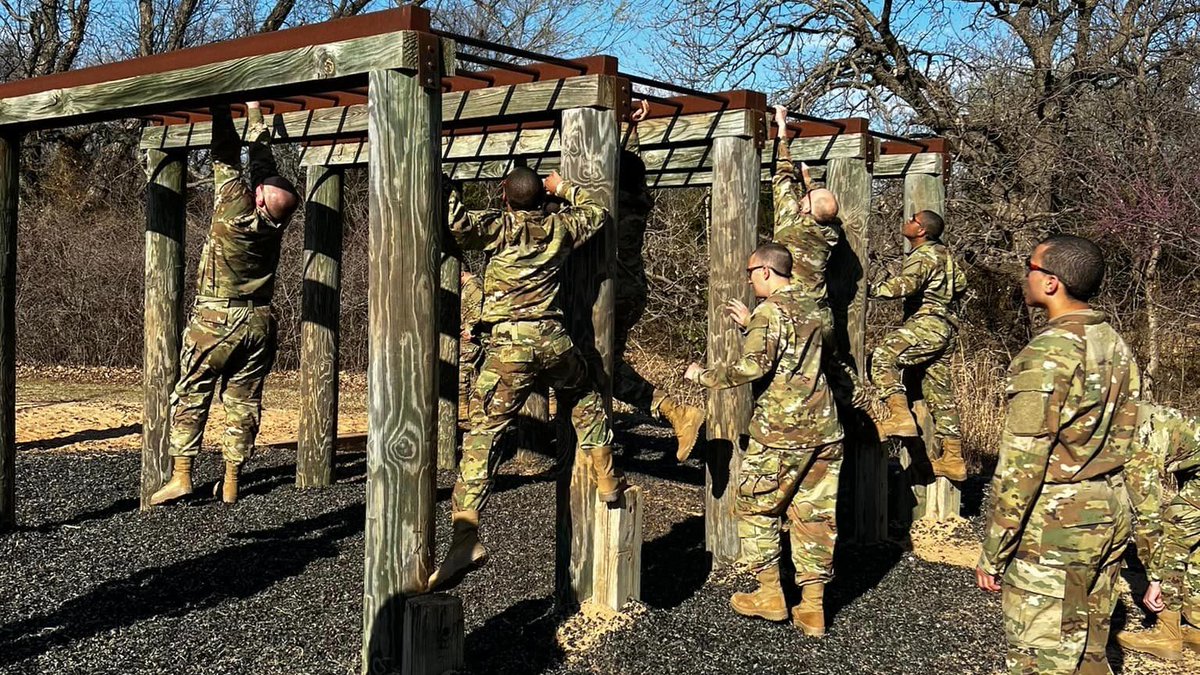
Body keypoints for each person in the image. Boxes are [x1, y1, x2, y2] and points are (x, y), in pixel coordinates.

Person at [430, 167, 621, 590]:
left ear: (505, 196)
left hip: (508, 348)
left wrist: (444, 184)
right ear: (541, 196)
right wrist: (563, 187)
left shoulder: (500, 227)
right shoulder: (559, 226)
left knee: (483, 436)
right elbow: (597, 211)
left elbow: (457, 220)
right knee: (585, 391)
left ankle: (465, 536)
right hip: (552, 340)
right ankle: (606, 471)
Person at [976, 234, 1140, 674]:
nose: (1024, 276)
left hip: (1056, 525)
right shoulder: (1115, 344)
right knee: (1088, 650)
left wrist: (995, 548)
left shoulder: (1048, 354)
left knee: (1042, 657)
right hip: (1108, 506)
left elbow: (1021, 465)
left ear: (1051, 283)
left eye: (1030, 267)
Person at [685, 242, 843, 637]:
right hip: (824, 430)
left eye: (751, 272)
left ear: (767, 272)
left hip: (781, 432)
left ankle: (770, 594)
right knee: (814, 517)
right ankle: (813, 609)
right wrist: (751, 324)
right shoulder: (814, 306)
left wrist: (702, 376)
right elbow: (807, 351)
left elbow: (754, 366)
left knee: (755, 509)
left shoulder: (770, 312)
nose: (749, 279)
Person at [150, 101, 299, 506]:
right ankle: (231, 481)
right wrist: (255, 114)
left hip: (217, 317)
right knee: (243, 401)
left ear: (259, 201)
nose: (256, 187)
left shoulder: (236, 209)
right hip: (259, 321)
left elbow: (226, 156)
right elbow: (264, 167)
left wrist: (221, 108)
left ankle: (182, 476)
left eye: (260, 191)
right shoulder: (276, 224)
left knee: (191, 390)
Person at [613, 99, 705, 460]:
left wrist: (559, 189)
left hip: (614, 293)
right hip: (632, 291)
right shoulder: (637, 199)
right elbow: (629, 168)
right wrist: (630, 129)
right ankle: (674, 411)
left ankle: (674, 411)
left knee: (593, 367)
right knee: (603, 366)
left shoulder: (607, 204)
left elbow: (601, 182)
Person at [769, 105, 864, 411]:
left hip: (791, 315)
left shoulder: (790, 224)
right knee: (835, 371)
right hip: (821, 316)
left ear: (806, 208)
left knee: (786, 374)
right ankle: (868, 408)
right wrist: (810, 181)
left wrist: (781, 127)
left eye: (805, 200)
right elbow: (823, 207)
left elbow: (782, 173)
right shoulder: (832, 232)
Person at [867, 210, 969, 480]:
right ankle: (954, 457)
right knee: (940, 392)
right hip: (947, 328)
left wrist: (870, 289)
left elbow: (906, 284)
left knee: (881, 357)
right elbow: (961, 284)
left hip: (928, 323)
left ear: (921, 231)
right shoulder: (946, 255)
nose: (907, 221)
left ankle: (899, 417)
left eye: (913, 219)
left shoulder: (924, 255)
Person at [1113, 403, 1200, 661]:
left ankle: (1167, 631)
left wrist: (1155, 580)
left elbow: (1148, 519)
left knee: (1174, 532)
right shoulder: (1131, 412)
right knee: (1193, 538)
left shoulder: (1136, 440)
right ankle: (1196, 626)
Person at [458, 269, 485, 424]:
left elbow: (476, 308)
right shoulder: (472, 285)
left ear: (462, 273)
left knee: (463, 368)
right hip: (474, 336)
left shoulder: (473, 285)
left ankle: (463, 409)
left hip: (472, 337)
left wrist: (470, 328)